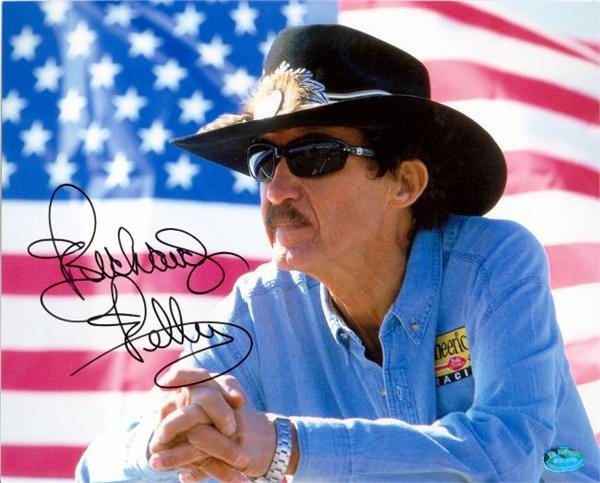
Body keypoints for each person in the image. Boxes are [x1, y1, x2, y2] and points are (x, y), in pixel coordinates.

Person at [77, 24, 599, 482]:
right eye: (264, 161)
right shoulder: (260, 306)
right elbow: (95, 471)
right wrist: (168, 436)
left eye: (314, 155)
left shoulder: (494, 262)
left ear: (405, 183)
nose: (277, 189)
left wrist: (283, 446)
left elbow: (506, 458)